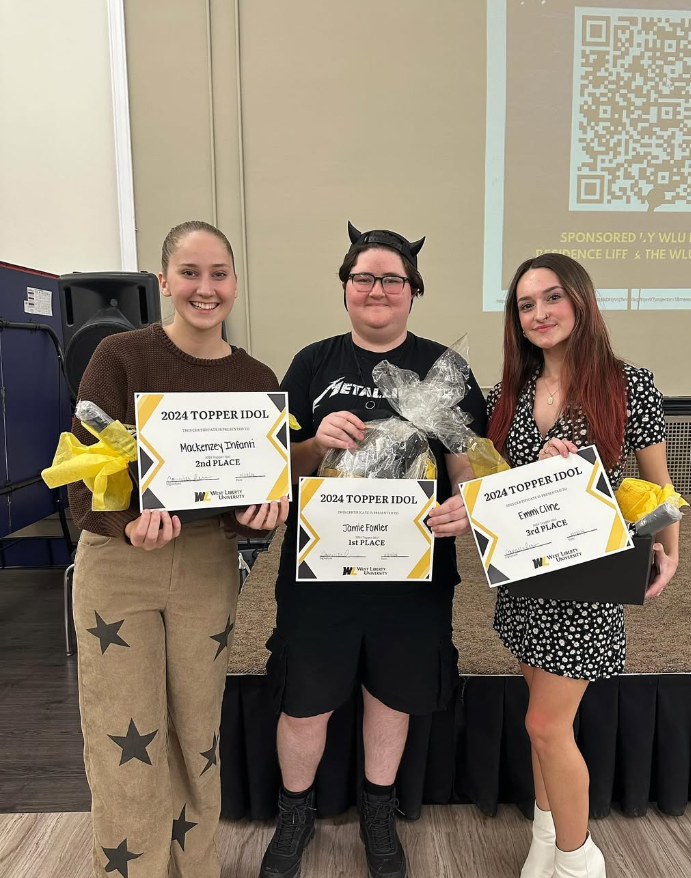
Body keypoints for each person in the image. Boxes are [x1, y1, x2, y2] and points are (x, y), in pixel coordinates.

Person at [259, 222, 487, 878]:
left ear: (413, 291)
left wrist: (466, 502)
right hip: (319, 565)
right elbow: (281, 467)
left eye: (392, 278)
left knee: (391, 693)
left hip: (412, 569)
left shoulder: (445, 368)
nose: (377, 289)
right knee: (305, 698)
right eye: (364, 278)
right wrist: (313, 441)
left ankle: (378, 812)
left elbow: (462, 459)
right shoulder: (312, 363)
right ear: (345, 289)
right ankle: (294, 813)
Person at [69, 220, 288, 878]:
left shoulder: (256, 379)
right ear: (163, 281)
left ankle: (196, 869)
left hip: (204, 568)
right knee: (122, 738)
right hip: (118, 568)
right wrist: (126, 521)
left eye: (218, 273)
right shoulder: (119, 356)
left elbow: (252, 511)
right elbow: (84, 475)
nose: (205, 287)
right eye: (189, 273)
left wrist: (262, 517)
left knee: (198, 738)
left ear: (235, 284)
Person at [486, 253, 679, 878]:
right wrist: (532, 471)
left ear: (580, 301)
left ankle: (578, 860)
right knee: (539, 719)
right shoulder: (506, 393)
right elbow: (498, 487)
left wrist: (670, 551)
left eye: (550, 298)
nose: (538, 313)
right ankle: (546, 836)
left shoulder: (629, 384)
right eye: (524, 304)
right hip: (525, 580)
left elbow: (659, 485)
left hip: (589, 585)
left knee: (546, 725)